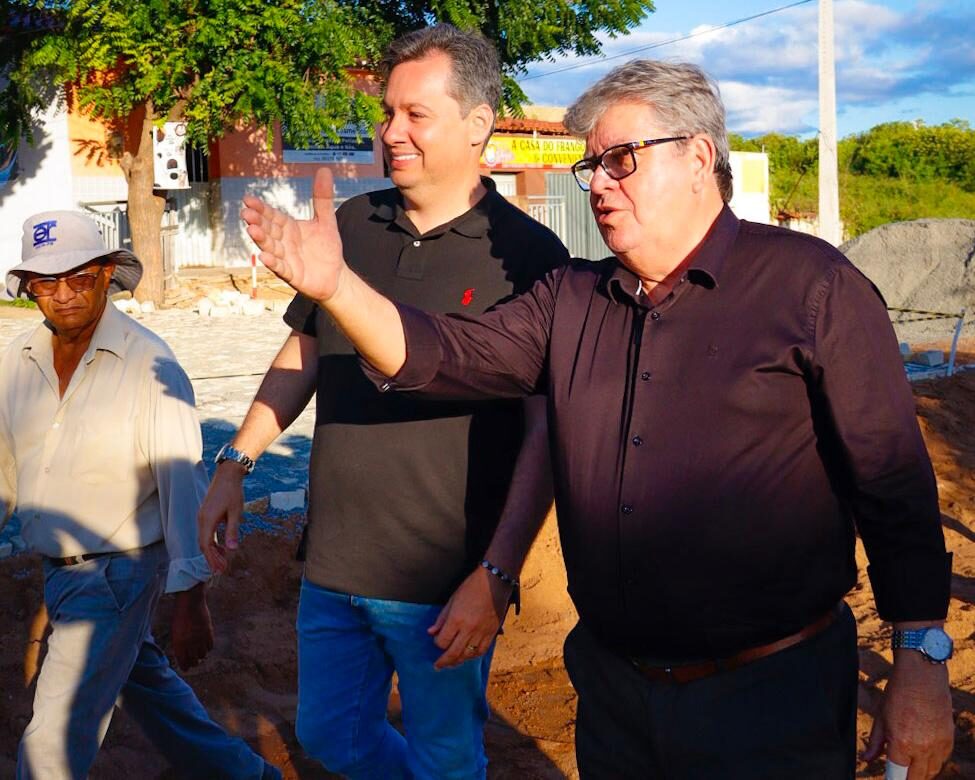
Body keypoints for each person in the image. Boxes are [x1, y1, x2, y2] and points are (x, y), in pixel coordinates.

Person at [240, 59, 956, 779]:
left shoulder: (813, 288)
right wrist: (334, 287)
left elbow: (892, 486)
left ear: (698, 157)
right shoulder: (570, 298)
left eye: (620, 161)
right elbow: (443, 354)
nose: (599, 185)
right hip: (615, 697)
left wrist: (921, 665)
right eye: (592, 167)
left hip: (769, 700)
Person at [197, 25, 567, 780]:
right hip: (333, 562)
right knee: (332, 739)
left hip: (441, 581)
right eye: (386, 112)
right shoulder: (351, 226)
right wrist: (236, 462)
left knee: (446, 758)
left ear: (476, 123)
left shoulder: (527, 257)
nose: (390, 132)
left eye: (415, 115)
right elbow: (304, 352)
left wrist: (495, 575)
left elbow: (542, 435)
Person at [0, 211, 280, 780]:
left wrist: (192, 598)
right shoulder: (15, 364)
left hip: (118, 573)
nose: (63, 295)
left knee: (53, 739)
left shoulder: (149, 365)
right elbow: (7, 471)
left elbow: (184, 485)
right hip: (61, 570)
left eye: (78, 278)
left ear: (106, 274)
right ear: (30, 288)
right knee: (154, 698)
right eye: (46, 283)